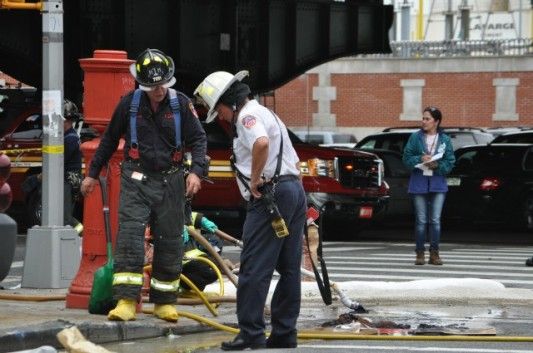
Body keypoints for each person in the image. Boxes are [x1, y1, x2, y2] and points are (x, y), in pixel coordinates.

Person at [80, 48, 207, 322]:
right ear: (142, 83)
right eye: (152, 86)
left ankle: (164, 302)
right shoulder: (129, 104)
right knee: (129, 238)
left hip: (172, 180)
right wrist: (92, 173)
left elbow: (198, 140)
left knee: (170, 241)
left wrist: (196, 172)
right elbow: (109, 140)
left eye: (162, 84)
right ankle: (126, 300)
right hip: (136, 178)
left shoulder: (182, 105)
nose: (158, 90)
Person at [195, 71, 306, 350]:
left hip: (269, 196)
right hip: (292, 191)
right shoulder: (270, 115)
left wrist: (256, 179)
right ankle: (284, 331)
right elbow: (292, 159)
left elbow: (261, 143)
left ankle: (251, 333)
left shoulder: (247, 118)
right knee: (289, 268)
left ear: (230, 102)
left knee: (255, 267)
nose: (219, 116)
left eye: (218, 110)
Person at [402, 106, 455, 266]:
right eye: (423, 118)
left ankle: (435, 253)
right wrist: (420, 158)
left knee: (435, 220)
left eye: (427, 119)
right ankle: (419, 253)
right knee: (421, 220)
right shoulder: (415, 137)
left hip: (438, 183)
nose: (423, 121)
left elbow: (450, 160)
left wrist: (437, 165)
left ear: (436, 121)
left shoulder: (444, 139)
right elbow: (406, 157)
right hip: (419, 183)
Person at [21, 100, 83, 235]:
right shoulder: (66, 137)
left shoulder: (70, 139)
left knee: (65, 218)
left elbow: (57, 164)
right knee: (59, 216)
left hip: (67, 181)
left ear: (66, 120)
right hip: (66, 181)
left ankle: (81, 234)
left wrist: (37, 178)